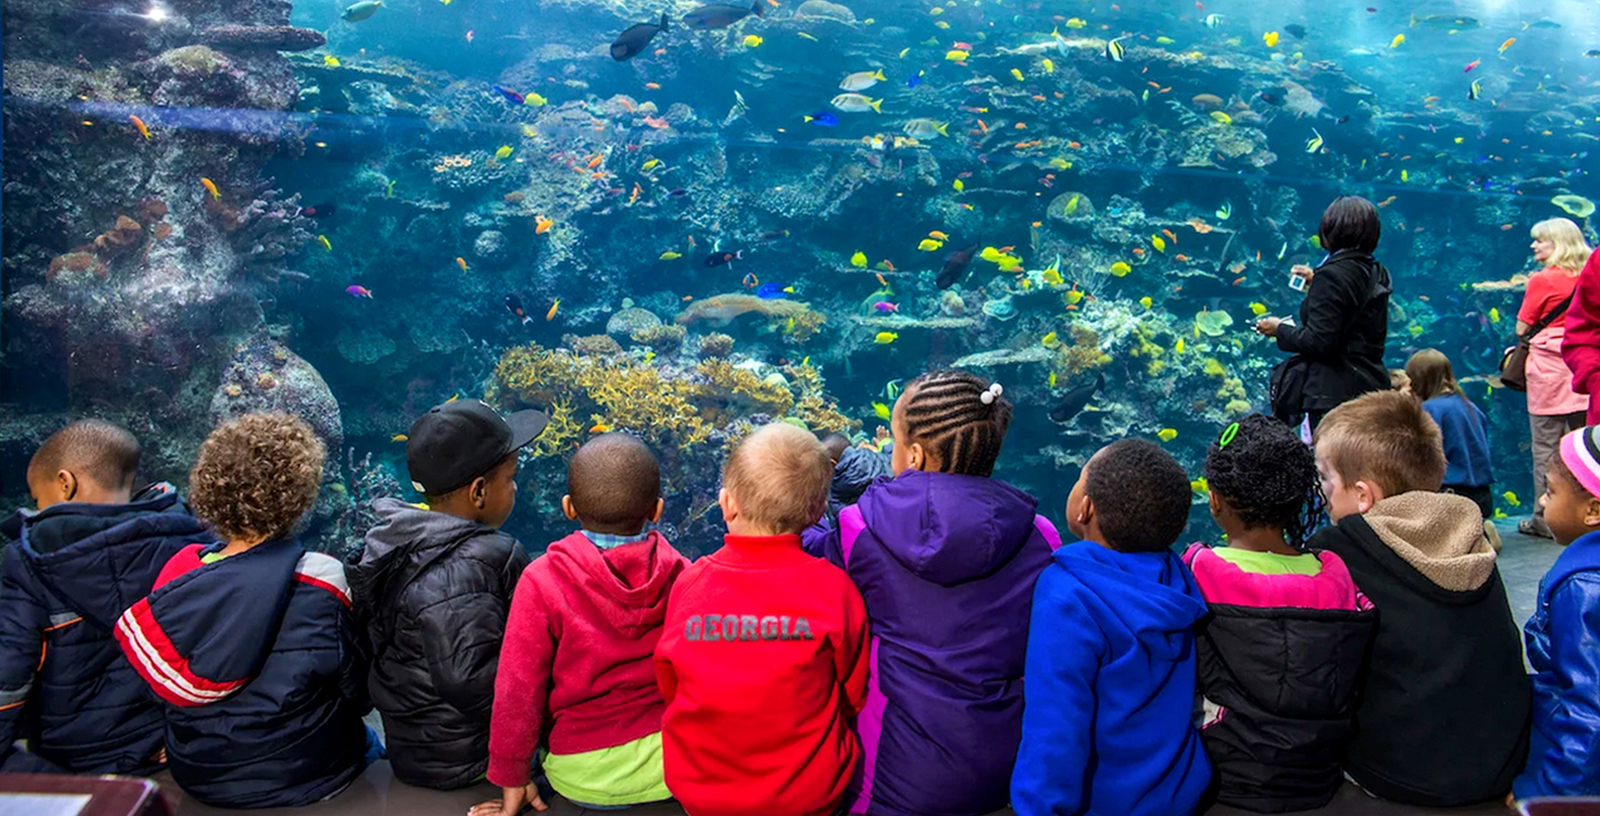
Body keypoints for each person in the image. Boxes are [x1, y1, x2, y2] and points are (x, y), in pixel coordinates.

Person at [804, 371, 1059, 816]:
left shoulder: (857, 530)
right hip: (1005, 769)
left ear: (916, 455)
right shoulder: (1041, 536)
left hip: (892, 778)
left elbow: (804, 560)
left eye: (897, 443)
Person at [114, 413, 370, 808]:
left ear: (209, 489)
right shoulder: (321, 575)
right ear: (300, 495)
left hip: (198, 773)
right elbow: (357, 686)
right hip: (308, 769)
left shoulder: (178, 571)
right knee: (369, 741)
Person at [1305, 391, 1529, 807]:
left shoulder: (1339, 549)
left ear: (1363, 496)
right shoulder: (1471, 533)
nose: (1321, 491)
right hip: (1501, 765)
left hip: (1406, 776)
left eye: (1324, 477)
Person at [654, 423, 869, 816]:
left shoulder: (689, 583)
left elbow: (670, 683)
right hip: (809, 795)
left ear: (726, 503)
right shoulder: (836, 588)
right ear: (819, 511)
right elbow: (852, 693)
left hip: (704, 795)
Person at [473, 433, 688, 814]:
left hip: (580, 775)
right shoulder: (684, 576)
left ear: (568, 507)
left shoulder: (542, 580)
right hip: (671, 766)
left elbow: (518, 690)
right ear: (657, 510)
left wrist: (513, 778)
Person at [1183, 416, 1376, 812]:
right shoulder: (1335, 573)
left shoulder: (1200, 568)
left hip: (1226, 775)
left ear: (1215, 499)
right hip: (1320, 773)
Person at [348, 400, 543, 789]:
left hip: (415, 750)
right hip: (471, 763)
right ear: (479, 492)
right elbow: (469, 680)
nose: (516, 486)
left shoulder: (396, 544)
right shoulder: (482, 560)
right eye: (511, 477)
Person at [1011, 439, 1211, 816]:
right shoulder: (1175, 577)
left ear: (1085, 508)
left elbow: (1055, 726)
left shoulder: (1067, 593)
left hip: (1104, 803)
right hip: (1178, 792)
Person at [0, 420, 210, 774]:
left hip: (73, 755)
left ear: (65, 484)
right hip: (168, 743)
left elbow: (8, 676)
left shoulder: (31, 560)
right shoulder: (187, 538)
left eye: (39, 498)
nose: (36, 510)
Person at [1255, 195, 1392, 430]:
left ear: (1330, 229)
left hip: (1336, 395)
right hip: (1371, 385)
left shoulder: (1332, 275)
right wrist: (1316, 280)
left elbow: (1320, 341)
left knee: (1333, 464)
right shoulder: (1375, 271)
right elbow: (1353, 305)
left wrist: (1280, 330)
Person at [1514, 425, 1600, 799]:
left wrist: (1550, 795)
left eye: (1550, 491)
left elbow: (1591, 712)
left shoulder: (1582, 589)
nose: (1544, 503)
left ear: (1593, 510)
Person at [1517, 218, 1592, 538]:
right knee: (1589, 445)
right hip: (1583, 370)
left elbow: (1523, 328)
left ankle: (1544, 519)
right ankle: (1589, 511)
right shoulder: (1590, 274)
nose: (1534, 245)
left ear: (1558, 243)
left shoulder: (1542, 280)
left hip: (1548, 372)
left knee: (1546, 448)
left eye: (1541, 240)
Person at [1406, 349, 1494, 518]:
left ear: (1419, 379)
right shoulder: (1469, 406)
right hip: (1482, 495)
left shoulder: (1429, 410)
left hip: (1450, 497)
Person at [817, 431, 891, 527]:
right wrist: (884, 442)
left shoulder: (836, 495)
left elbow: (835, 530)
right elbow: (892, 450)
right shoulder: (888, 460)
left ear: (832, 464)